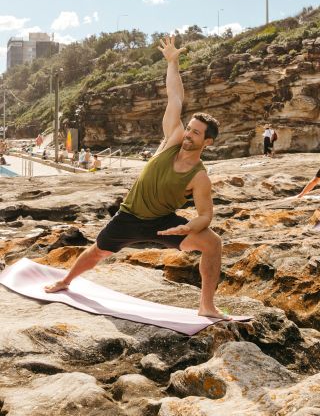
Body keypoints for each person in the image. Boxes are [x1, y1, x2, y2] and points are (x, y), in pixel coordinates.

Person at [45, 35, 228, 320]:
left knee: (212, 243)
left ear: (208, 142)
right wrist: (172, 62)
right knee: (97, 252)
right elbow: (175, 98)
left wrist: (189, 225)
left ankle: (207, 305)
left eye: (196, 132)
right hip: (129, 216)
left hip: (163, 223)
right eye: (189, 128)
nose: (188, 134)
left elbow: (206, 215)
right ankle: (65, 281)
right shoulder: (172, 141)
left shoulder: (200, 177)